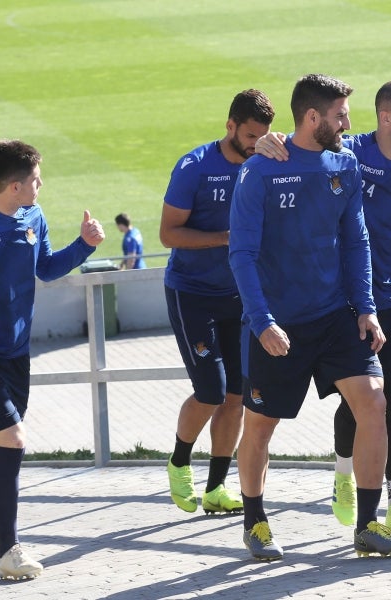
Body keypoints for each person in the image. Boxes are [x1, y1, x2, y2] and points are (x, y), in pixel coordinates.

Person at [255, 80, 391, 537]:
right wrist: (271, 140)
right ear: (387, 118)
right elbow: (306, 139)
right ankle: (344, 473)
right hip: (351, 305)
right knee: (360, 401)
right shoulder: (350, 153)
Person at [230, 73, 391, 561]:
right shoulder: (260, 170)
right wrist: (261, 321)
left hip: (335, 317)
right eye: (340, 116)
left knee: (373, 402)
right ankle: (255, 523)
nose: (349, 123)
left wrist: (367, 308)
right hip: (277, 323)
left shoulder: (345, 165)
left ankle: (367, 524)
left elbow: (357, 241)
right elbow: (242, 254)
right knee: (261, 427)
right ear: (313, 118)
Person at [0, 139, 106, 579]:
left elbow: (45, 267)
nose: (40, 184)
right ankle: (9, 552)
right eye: (35, 179)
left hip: (16, 355)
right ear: (13, 186)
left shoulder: (33, 217)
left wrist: (83, 245)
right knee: (12, 440)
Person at [160, 89, 275, 515]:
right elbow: (168, 234)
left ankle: (216, 488)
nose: (255, 143)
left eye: (261, 135)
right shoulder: (194, 167)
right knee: (209, 391)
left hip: (240, 297)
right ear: (230, 126)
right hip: (192, 293)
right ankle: (178, 462)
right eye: (248, 135)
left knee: (236, 396)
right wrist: (226, 240)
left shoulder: (266, 160)